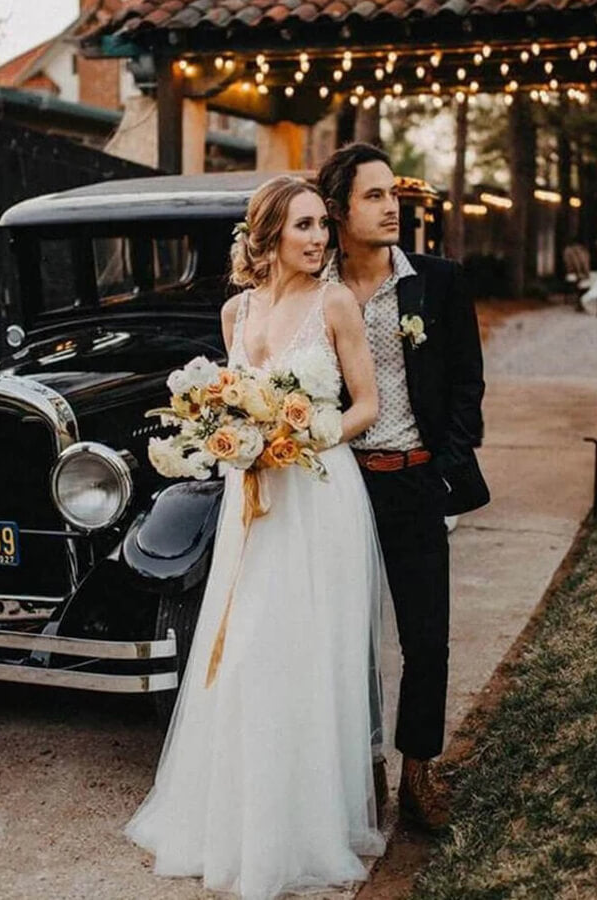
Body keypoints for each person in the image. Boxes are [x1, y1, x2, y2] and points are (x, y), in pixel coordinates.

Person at [125, 175, 387, 899]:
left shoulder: (336, 303)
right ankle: (239, 819)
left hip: (318, 495)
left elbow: (366, 404)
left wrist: (301, 437)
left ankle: (307, 827)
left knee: (307, 651)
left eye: (322, 226)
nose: (319, 239)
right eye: (304, 226)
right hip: (252, 501)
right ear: (267, 235)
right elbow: (228, 404)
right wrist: (234, 440)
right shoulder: (234, 312)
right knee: (246, 647)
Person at [318, 143, 489, 831]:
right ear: (337, 210)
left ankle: (419, 769)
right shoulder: (315, 289)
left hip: (417, 479)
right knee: (345, 637)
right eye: (373, 196)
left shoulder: (439, 281)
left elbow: (468, 385)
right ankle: (364, 769)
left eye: (393, 193)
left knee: (426, 638)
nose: (392, 206)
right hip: (341, 489)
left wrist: (444, 468)